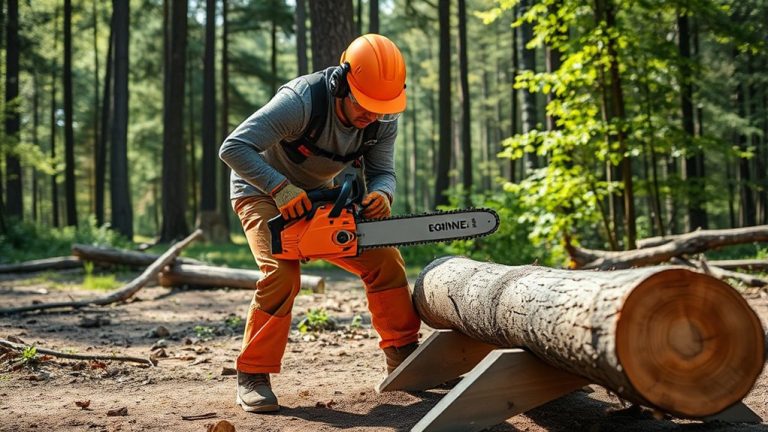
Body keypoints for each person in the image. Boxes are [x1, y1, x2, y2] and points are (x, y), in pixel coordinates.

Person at [218, 33, 421, 413]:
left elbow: (383, 172)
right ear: (341, 83)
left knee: (384, 259)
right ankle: (253, 374)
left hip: (316, 193)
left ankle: (404, 355)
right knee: (281, 273)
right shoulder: (301, 101)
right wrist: (279, 188)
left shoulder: (382, 120)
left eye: (381, 106)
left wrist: (382, 194)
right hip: (261, 189)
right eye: (365, 104)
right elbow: (233, 147)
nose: (372, 115)